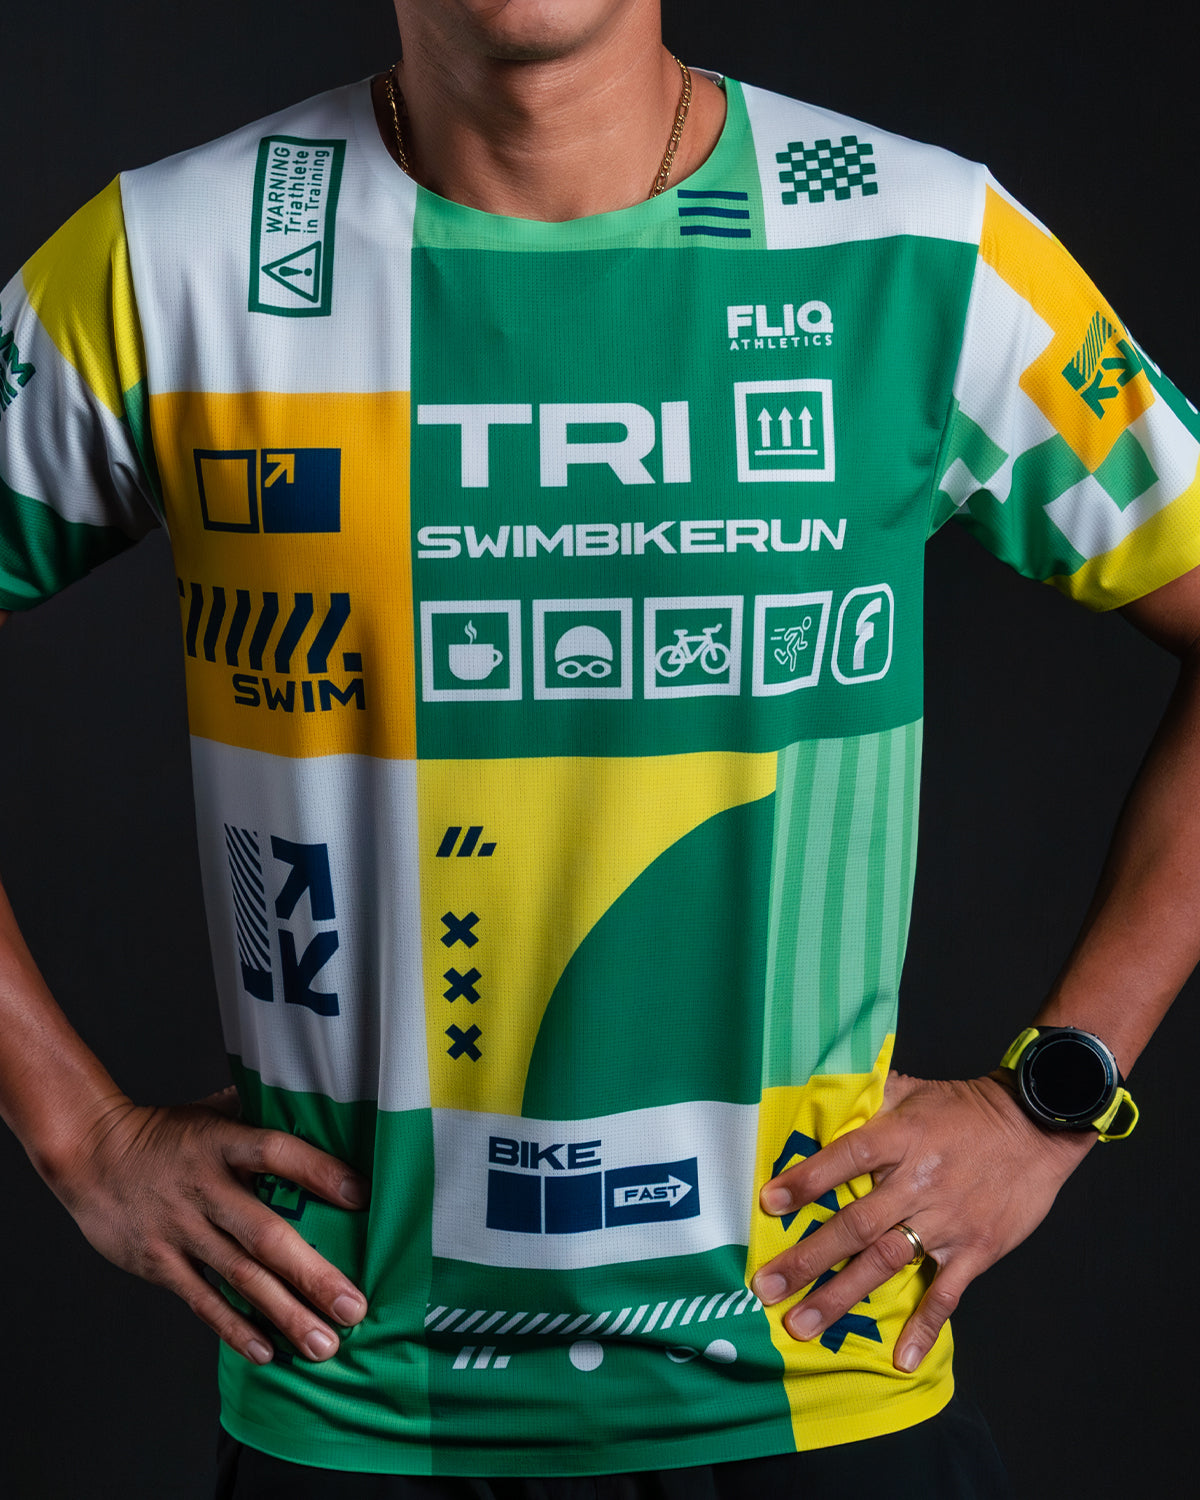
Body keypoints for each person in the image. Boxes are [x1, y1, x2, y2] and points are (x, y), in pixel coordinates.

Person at [3, 1, 1199, 1494]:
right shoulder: (170, 260)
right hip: (361, 1395)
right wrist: (78, 1135)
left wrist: (1052, 1098)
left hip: (815, 1377)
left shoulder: (920, 243)